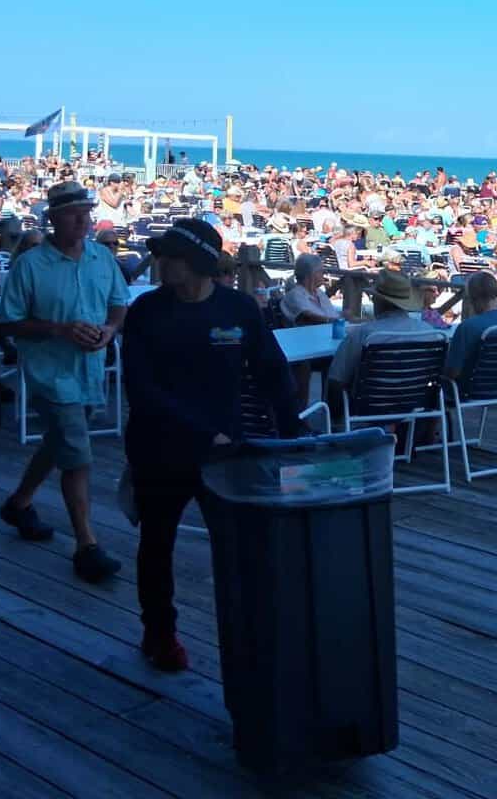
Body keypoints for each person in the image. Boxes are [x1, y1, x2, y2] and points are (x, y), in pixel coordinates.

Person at [122, 217, 299, 672]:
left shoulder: (239, 310)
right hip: (159, 450)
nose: (159, 263)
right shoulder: (146, 312)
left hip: (225, 454)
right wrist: (204, 434)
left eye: (170, 257)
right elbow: (142, 390)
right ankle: (159, 632)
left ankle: (246, 635)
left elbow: (272, 372)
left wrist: (293, 431)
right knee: (157, 543)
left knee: (236, 548)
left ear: (197, 263)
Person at [0, 181, 129, 583]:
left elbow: (119, 303)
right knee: (77, 452)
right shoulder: (30, 265)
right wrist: (59, 330)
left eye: (86, 213)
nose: (83, 220)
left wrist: (109, 331)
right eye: (74, 213)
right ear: (52, 218)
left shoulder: (101, 259)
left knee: (60, 442)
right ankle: (86, 545)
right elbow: (10, 321)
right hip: (49, 373)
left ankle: (19, 503)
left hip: (89, 372)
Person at [325, 271, 445, 410]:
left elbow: (336, 379)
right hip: (414, 405)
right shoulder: (430, 333)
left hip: (368, 406)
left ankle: (337, 427)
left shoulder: (365, 334)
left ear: (378, 300)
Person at [444, 272, 497, 383]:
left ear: (471, 297)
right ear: (496, 292)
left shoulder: (467, 327)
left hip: (474, 392)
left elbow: (453, 372)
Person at [280, 253, 340, 325]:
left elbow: (332, 314)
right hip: (308, 334)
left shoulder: (319, 293)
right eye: (321, 271)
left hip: (327, 331)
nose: (323, 274)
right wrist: (333, 321)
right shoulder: (294, 295)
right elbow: (306, 317)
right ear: (311, 274)